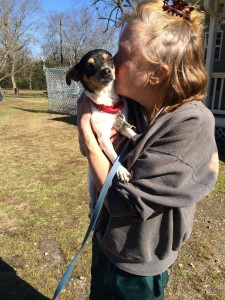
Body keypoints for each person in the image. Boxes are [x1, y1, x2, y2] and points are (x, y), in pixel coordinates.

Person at [77, 1, 219, 299]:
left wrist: (91, 143)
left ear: (156, 74)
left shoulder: (190, 125)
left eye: (122, 54)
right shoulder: (136, 106)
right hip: (106, 241)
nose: (111, 62)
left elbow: (125, 204)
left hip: (137, 266)